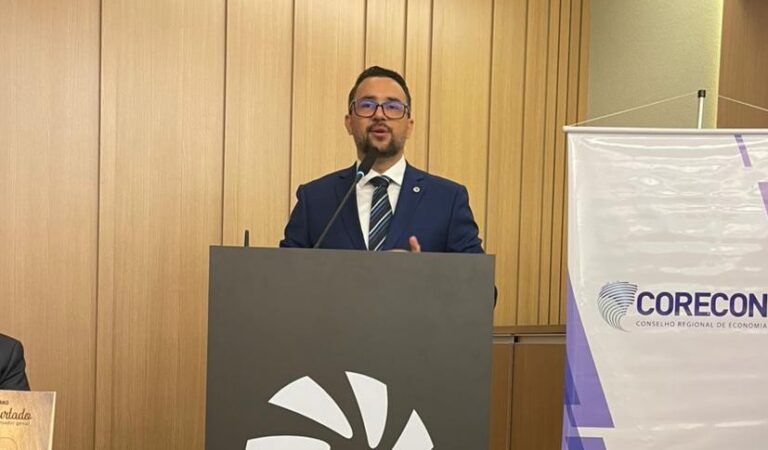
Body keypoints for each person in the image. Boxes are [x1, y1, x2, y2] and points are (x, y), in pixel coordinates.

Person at [280, 66, 483, 253]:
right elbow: (282, 275)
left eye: (392, 106)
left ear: (409, 126)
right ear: (349, 123)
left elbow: (477, 280)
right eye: (367, 105)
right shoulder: (314, 199)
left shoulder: (447, 200)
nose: (379, 115)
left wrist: (422, 273)